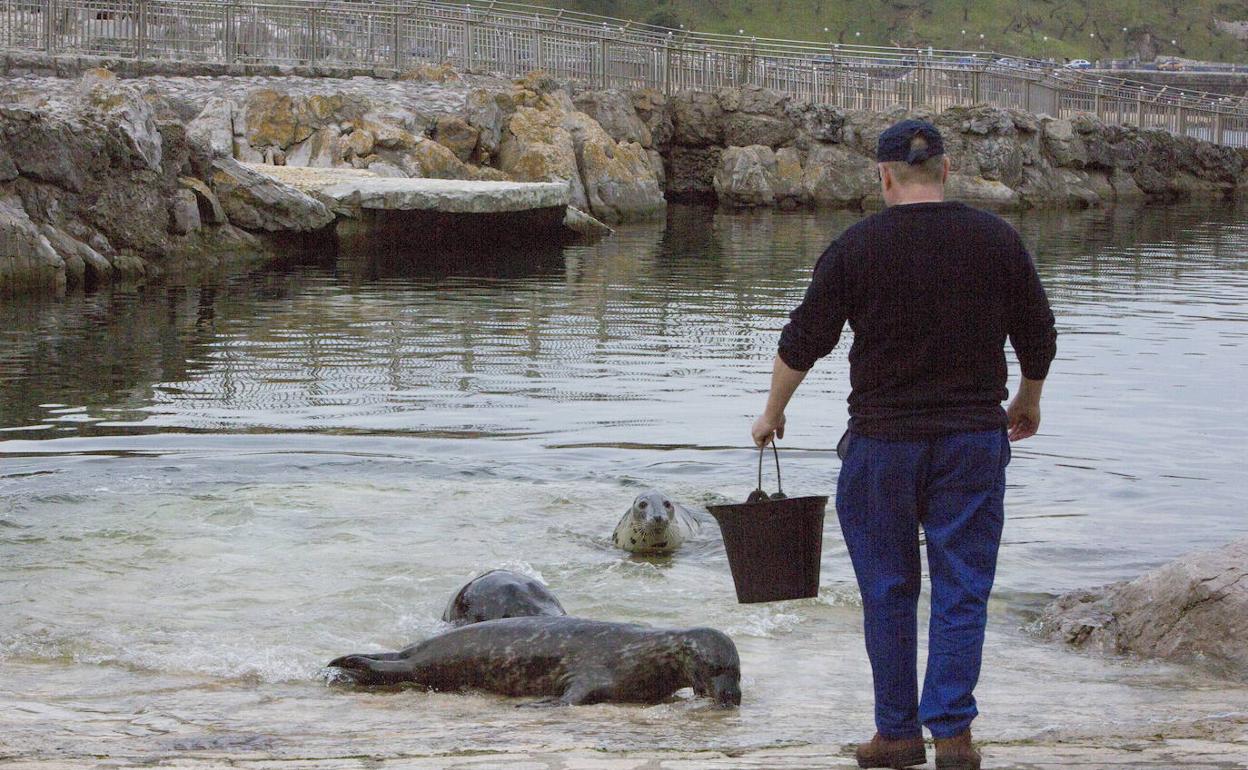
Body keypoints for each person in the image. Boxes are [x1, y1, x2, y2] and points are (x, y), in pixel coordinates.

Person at [750, 120, 1057, 770]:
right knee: (961, 586)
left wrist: (772, 413)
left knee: (888, 589)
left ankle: (895, 734)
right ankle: (952, 735)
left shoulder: (855, 247)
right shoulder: (995, 238)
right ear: (945, 172)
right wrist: (1027, 398)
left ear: (883, 177)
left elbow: (804, 337)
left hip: (882, 445)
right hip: (972, 439)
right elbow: (1038, 329)